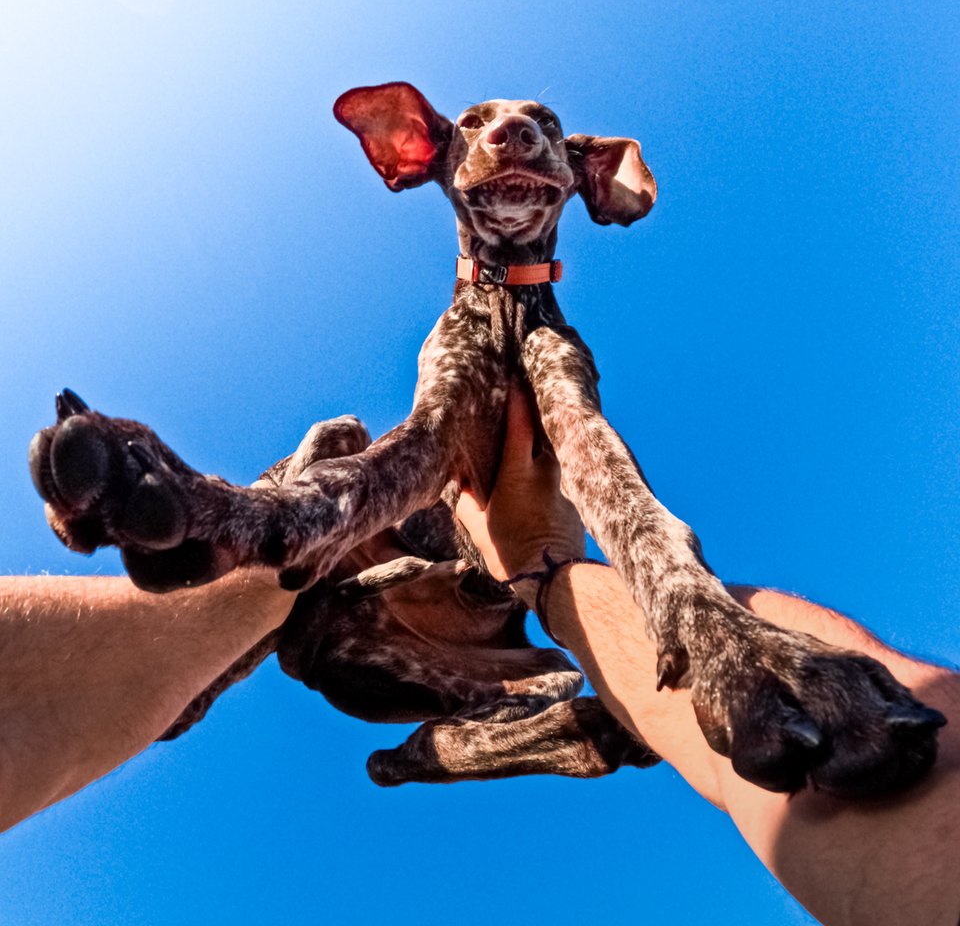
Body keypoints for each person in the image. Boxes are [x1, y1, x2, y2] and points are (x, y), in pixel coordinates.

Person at [1, 390, 957, 926]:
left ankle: (250, 542)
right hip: (360, 623)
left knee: (343, 509)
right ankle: (252, 546)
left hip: (435, 601)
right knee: (328, 539)